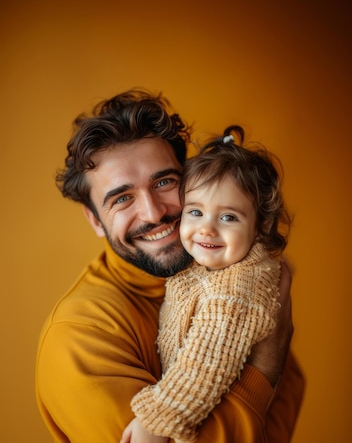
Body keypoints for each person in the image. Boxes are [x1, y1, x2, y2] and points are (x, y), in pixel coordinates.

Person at [36, 89, 305, 443]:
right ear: (95, 219)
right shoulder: (78, 338)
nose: (154, 213)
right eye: (122, 198)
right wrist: (264, 368)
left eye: (164, 182)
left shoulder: (226, 273)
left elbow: (286, 406)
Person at [121, 126, 293, 443]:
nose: (206, 230)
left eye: (228, 217)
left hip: (211, 420)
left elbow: (206, 363)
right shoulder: (204, 266)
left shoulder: (240, 285)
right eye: (196, 212)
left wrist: (156, 422)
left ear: (262, 225)